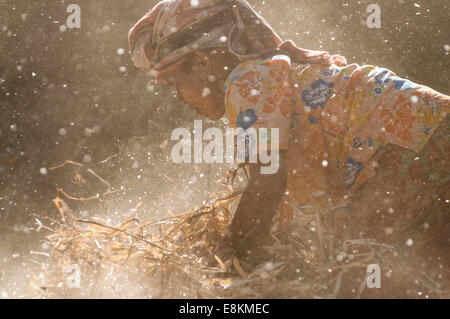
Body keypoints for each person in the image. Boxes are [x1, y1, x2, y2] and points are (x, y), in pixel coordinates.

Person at [128, 0, 449, 265]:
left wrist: (226, 258)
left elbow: (268, 179)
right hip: (425, 137)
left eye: (175, 86)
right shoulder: (269, 74)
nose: (181, 101)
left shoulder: (245, 81)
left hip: (414, 144)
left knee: (364, 270)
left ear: (201, 62)